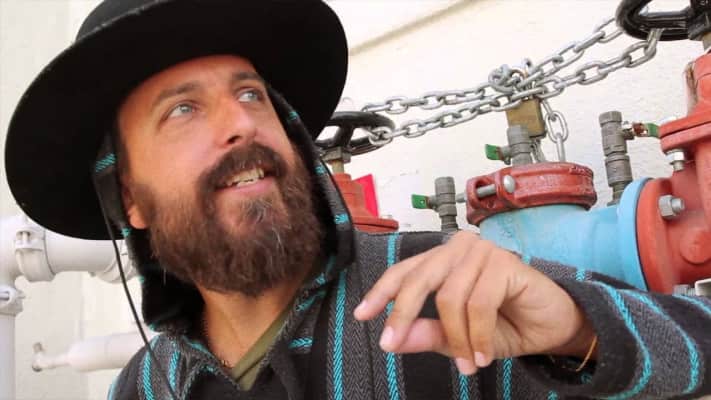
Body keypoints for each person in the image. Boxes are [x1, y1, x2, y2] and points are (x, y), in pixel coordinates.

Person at [4, 0, 711, 399]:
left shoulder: (447, 294)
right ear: (130, 200)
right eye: (183, 110)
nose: (242, 124)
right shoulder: (145, 385)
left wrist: (579, 332)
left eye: (251, 94)